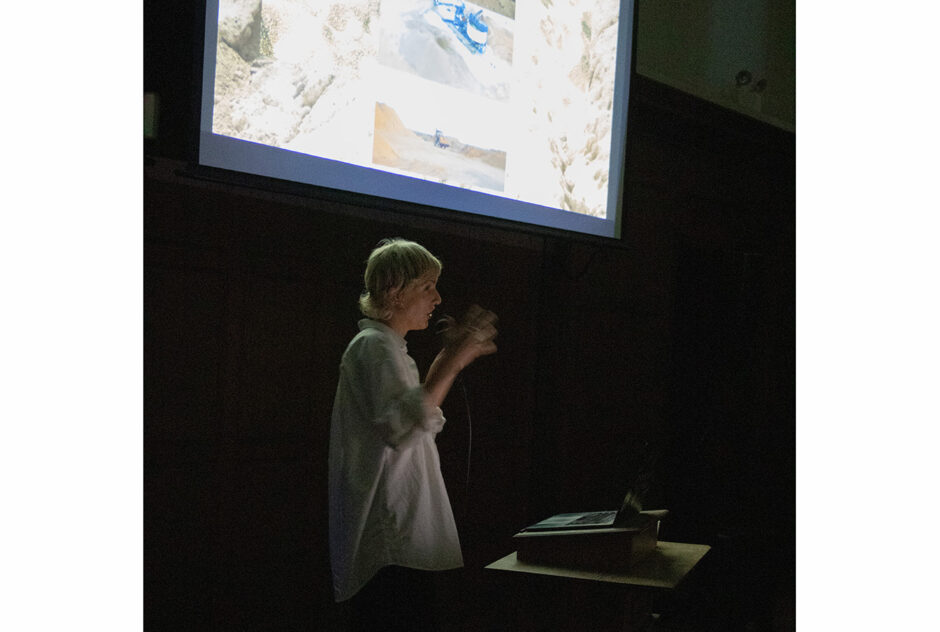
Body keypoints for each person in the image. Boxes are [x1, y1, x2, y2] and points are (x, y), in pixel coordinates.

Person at [328, 238, 497, 631]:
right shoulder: (372, 347)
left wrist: (446, 359)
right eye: (427, 287)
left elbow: (417, 418)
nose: (437, 298)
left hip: (400, 532)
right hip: (390, 534)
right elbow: (402, 428)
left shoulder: (390, 348)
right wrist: (452, 361)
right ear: (394, 290)